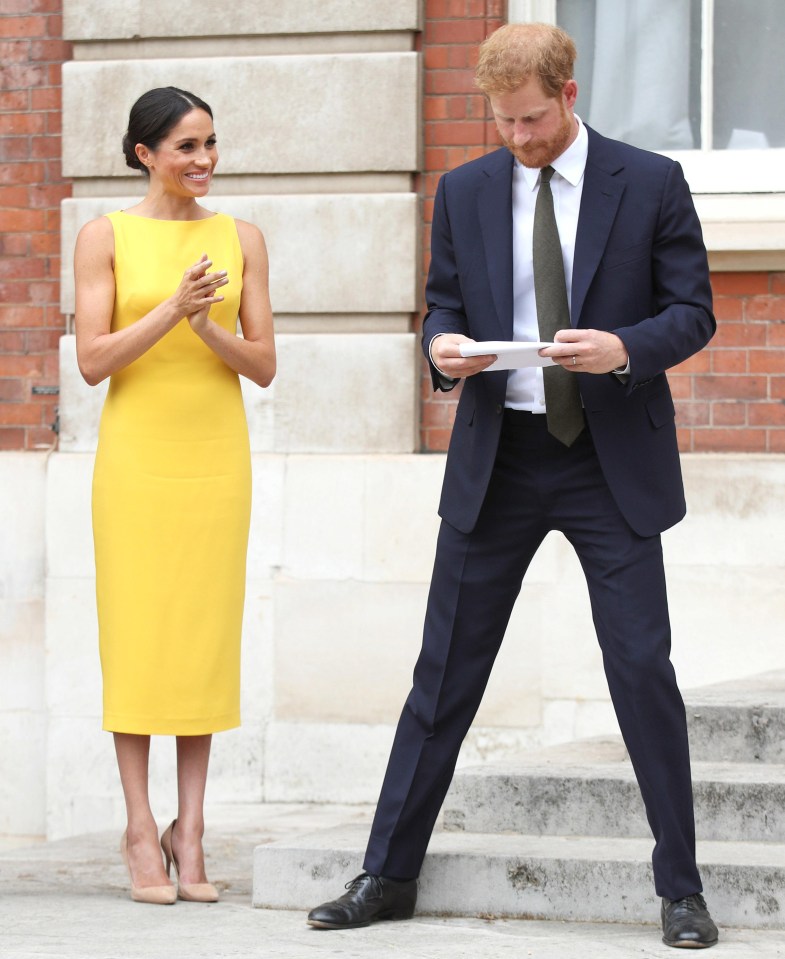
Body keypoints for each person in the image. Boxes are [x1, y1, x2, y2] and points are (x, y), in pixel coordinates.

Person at [307, 22, 718, 949]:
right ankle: (387, 873)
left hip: (608, 460)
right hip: (501, 457)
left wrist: (624, 350)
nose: (518, 137)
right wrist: (442, 352)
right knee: (443, 673)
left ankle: (682, 890)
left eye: (531, 118)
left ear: (568, 95)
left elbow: (692, 311)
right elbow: (443, 303)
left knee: (641, 671)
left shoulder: (648, 181)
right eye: (502, 122)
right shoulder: (465, 189)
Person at [74, 87, 275, 905]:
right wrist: (171, 308)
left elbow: (261, 364)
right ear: (144, 153)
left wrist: (206, 327)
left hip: (215, 457)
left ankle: (190, 834)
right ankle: (137, 826)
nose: (204, 161)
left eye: (211, 143)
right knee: (139, 640)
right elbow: (93, 361)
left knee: (199, 640)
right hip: (136, 461)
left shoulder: (244, 238)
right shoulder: (103, 236)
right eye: (187, 146)